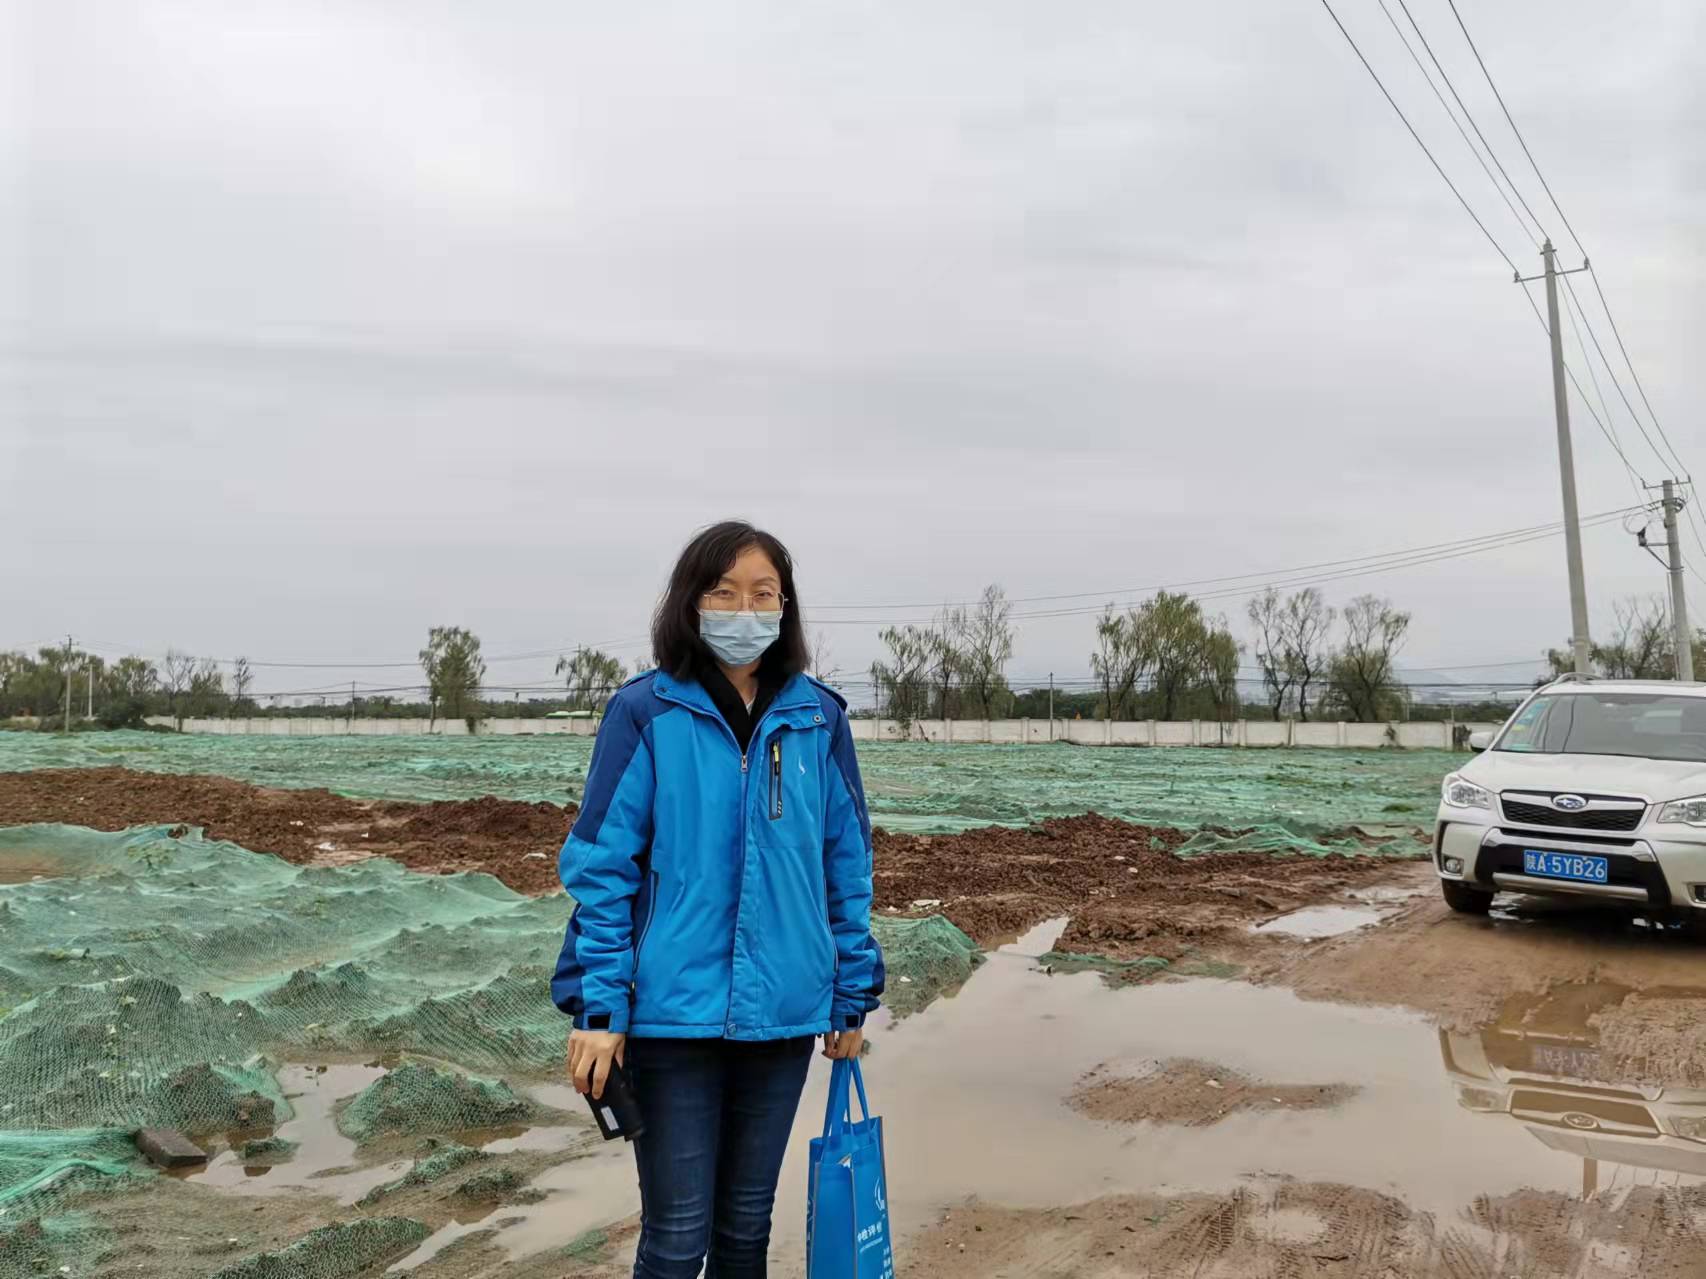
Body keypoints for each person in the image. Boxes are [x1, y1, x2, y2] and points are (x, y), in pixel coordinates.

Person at [552, 520, 885, 1279]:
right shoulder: (646, 713)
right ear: (691, 602)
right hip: (671, 1016)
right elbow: (603, 870)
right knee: (676, 1239)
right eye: (724, 592)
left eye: (763, 594)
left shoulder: (818, 719)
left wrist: (851, 996)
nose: (745, 610)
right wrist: (601, 1012)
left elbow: (847, 866)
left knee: (745, 1232)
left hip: (783, 1014)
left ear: (785, 607)